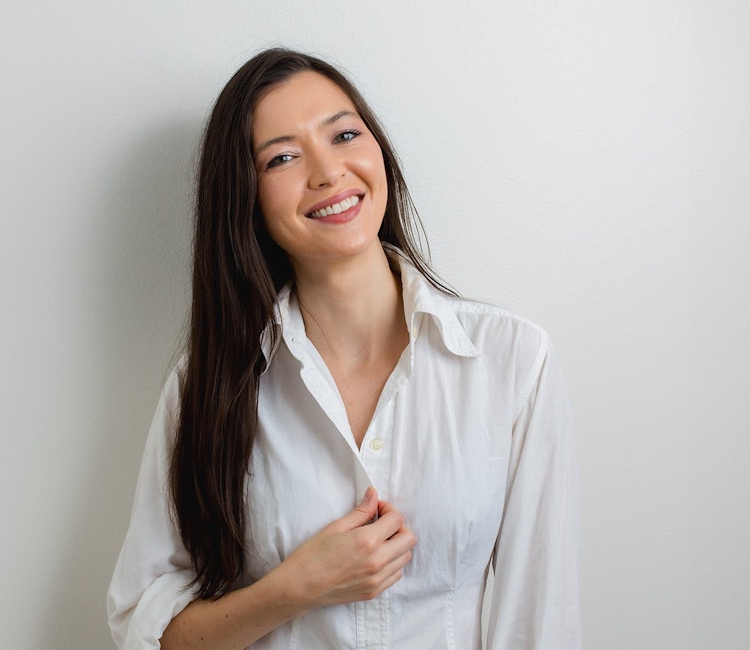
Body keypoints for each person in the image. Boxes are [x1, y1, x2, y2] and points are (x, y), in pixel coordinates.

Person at [107, 48, 580, 649]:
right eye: (282, 156)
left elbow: (541, 620)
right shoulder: (207, 386)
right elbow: (143, 629)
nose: (328, 172)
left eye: (344, 134)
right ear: (245, 197)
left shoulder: (514, 361)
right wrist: (293, 588)